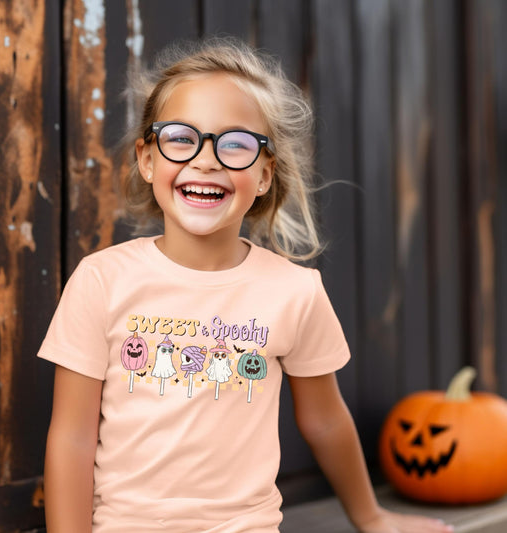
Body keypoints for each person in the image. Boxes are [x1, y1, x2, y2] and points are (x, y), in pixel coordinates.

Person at [39, 38, 453, 533]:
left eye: (235, 143)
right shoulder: (101, 280)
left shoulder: (295, 292)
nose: (206, 160)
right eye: (180, 137)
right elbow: (72, 439)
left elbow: (326, 421)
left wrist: (373, 518)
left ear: (263, 174)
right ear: (147, 160)